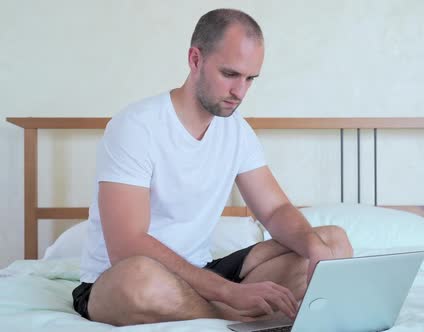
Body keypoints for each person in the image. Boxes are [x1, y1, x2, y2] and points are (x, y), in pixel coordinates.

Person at [72, 8, 353, 326]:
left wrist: (312, 244)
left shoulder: (238, 132)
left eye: (250, 79)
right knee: (139, 279)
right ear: (195, 59)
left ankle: (215, 311)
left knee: (332, 242)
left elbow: (275, 210)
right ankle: (235, 317)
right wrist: (229, 293)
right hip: (123, 279)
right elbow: (126, 247)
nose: (240, 92)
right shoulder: (137, 125)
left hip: (202, 272)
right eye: (230, 74)